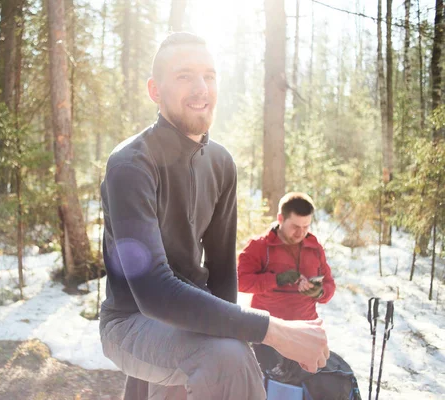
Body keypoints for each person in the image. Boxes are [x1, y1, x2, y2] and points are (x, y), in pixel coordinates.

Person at [99, 32, 329, 400]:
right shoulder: (130, 165)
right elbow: (153, 293)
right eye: (184, 76)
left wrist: (242, 336)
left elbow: (222, 274)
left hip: (193, 322)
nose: (201, 88)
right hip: (130, 322)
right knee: (226, 359)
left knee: (231, 356)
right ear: (154, 90)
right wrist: (275, 331)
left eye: (209, 75)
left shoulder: (221, 163)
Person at [237, 192, 336, 373]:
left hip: (306, 331)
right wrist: (277, 279)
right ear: (281, 218)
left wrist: (319, 292)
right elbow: (240, 282)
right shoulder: (259, 247)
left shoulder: (315, 248)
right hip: (268, 333)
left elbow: (329, 284)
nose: (301, 233)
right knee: (267, 388)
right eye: (295, 226)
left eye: (306, 226)